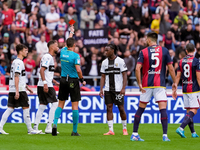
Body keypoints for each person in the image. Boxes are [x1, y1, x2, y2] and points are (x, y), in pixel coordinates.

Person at [131, 32, 177, 141]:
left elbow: (137, 68)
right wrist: (174, 82)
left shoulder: (143, 51)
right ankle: (165, 136)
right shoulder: (164, 50)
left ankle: (134, 134)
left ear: (148, 40)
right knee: (163, 109)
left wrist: (140, 84)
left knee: (140, 109)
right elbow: (170, 68)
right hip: (159, 84)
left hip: (146, 85)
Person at [52, 26, 86, 136]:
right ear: (74, 45)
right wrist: (82, 80)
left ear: (66, 45)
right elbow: (78, 70)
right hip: (73, 80)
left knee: (60, 103)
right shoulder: (76, 56)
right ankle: (74, 131)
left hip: (62, 80)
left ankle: (55, 123)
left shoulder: (62, 52)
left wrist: (71, 31)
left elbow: (68, 42)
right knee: (74, 105)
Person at [0, 44, 41, 134]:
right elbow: (16, 76)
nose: (26, 52)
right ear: (21, 51)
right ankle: (30, 130)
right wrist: (18, 91)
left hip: (13, 88)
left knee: (10, 108)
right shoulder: (19, 62)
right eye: (25, 50)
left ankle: (0, 127)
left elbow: (20, 78)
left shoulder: (15, 62)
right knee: (26, 107)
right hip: (19, 89)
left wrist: (27, 87)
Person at [99, 44, 128, 136]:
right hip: (108, 89)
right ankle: (111, 130)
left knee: (121, 108)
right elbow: (103, 76)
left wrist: (123, 88)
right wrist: (101, 89)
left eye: (107, 50)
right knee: (109, 108)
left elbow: (124, 75)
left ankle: (124, 129)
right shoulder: (104, 62)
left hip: (118, 89)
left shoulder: (120, 61)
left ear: (112, 50)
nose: (105, 52)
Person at [173, 43, 200, 138]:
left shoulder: (181, 61)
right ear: (194, 50)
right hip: (194, 89)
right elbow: (198, 77)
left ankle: (193, 133)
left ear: (186, 51)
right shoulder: (196, 61)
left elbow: (178, 76)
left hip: (184, 89)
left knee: (189, 111)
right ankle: (181, 128)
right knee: (194, 110)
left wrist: (175, 86)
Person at [33, 40, 60, 134]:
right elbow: (42, 70)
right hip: (46, 85)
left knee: (42, 106)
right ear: (52, 47)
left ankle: (35, 127)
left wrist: (54, 81)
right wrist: (45, 83)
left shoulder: (48, 57)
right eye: (56, 46)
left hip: (44, 83)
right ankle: (49, 127)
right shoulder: (48, 57)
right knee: (55, 104)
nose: (58, 48)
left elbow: (46, 72)